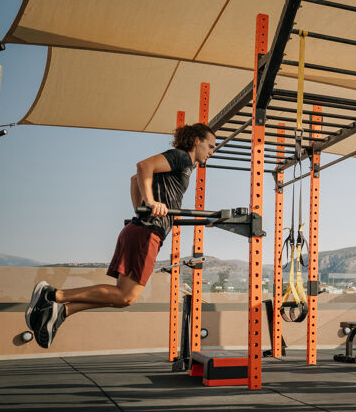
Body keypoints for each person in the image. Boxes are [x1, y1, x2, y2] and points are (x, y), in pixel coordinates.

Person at [25, 123, 217, 349]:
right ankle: (52, 295)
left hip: (141, 230)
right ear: (196, 141)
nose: (212, 152)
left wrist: (141, 210)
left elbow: (135, 179)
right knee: (126, 297)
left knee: (121, 297)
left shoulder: (185, 165)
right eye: (210, 146)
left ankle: (63, 311)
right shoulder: (182, 157)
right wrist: (150, 202)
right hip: (146, 233)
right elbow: (143, 166)